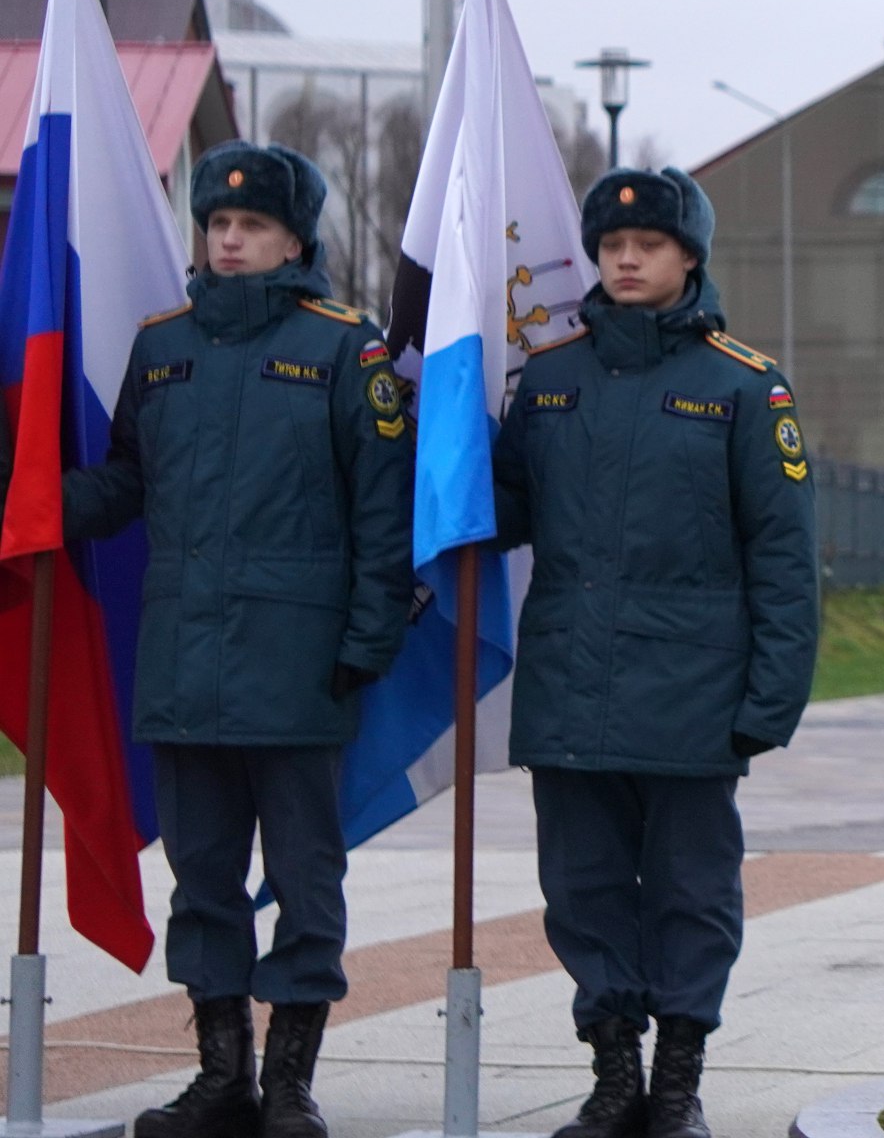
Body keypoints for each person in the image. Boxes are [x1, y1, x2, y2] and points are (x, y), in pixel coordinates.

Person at [60, 142, 413, 1138]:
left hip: (302, 662)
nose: (228, 236)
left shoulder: (350, 348)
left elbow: (381, 516)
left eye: (251, 225)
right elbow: (127, 479)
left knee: (305, 879)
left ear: (296, 237)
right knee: (202, 878)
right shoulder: (162, 345)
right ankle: (223, 1077)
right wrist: (36, 493)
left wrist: (368, 637)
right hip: (185, 657)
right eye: (217, 221)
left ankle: (291, 1083)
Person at [493, 166, 818, 1138]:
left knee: (689, 891)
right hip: (570, 689)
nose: (626, 258)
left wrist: (769, 698)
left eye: (649, 245)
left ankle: (676, 1081)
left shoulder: (742, 385)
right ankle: (613, 1077)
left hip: (690, 693)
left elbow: (785, 555)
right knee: (583, 891)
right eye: (610, 245)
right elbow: (502, 511)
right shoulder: (549, 378)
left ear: (689, 256)